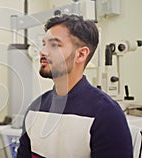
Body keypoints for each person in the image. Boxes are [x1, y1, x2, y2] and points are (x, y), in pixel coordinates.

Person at [17, 14, 133, 158]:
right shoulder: (36, 109)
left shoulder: (106, 114)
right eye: (44, 44)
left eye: (54, 45)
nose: (43, 51)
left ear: (81, 54)